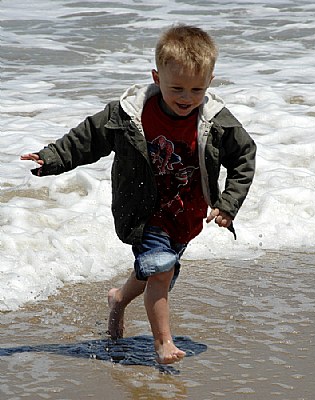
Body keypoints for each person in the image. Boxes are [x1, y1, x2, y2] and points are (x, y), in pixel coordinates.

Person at [21, 25, 256, 364]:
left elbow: (244, 158)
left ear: (210, 82)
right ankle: (163, 343)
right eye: (177, 88)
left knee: (156, 269)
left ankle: (118, 298)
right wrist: (51, 157)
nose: (187, 98)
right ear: (156, 77)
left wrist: (227, 204)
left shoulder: (215, 121)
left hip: (185, 215)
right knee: (160, 270)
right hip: (145, 211)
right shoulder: (129, 114)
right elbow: (87, 139)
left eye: (197, 89)